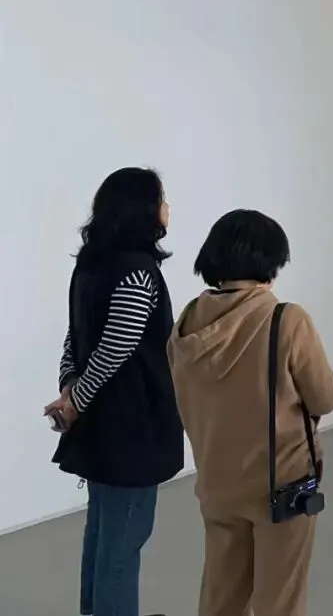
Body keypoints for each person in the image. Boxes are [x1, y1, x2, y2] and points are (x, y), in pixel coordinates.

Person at [168, 209, 333, 616]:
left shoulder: (188, 322)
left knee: (221, 597)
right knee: (279, 601)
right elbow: (324, 398)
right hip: (280, 483)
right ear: (270, 261)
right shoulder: (286, 319)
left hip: (217, 481)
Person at [45, 166, 183, 616]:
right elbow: (115, 349)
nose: (167, 207)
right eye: (162, 199)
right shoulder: (138, 273)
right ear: (143, 210)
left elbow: (76, 337)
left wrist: (70, 389)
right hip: (132, 426)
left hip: (101, 425)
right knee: (122, 546)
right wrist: (75, 399)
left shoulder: (89, 266)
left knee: (103, 535)